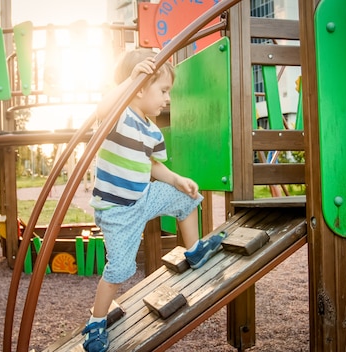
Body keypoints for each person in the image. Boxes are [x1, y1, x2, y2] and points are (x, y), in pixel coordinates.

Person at [81, 48, 225, 352]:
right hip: (117, 211)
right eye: (163, 90)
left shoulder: (152, 131)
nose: (167, 98)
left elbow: (153, 166)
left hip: (142, 197)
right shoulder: (118, 116)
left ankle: (194, 251)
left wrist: (177, 180)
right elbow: (101, 109)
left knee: (185, 198)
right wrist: (129, 82)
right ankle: (96, 322)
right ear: (139, 89)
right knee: (120, 270)